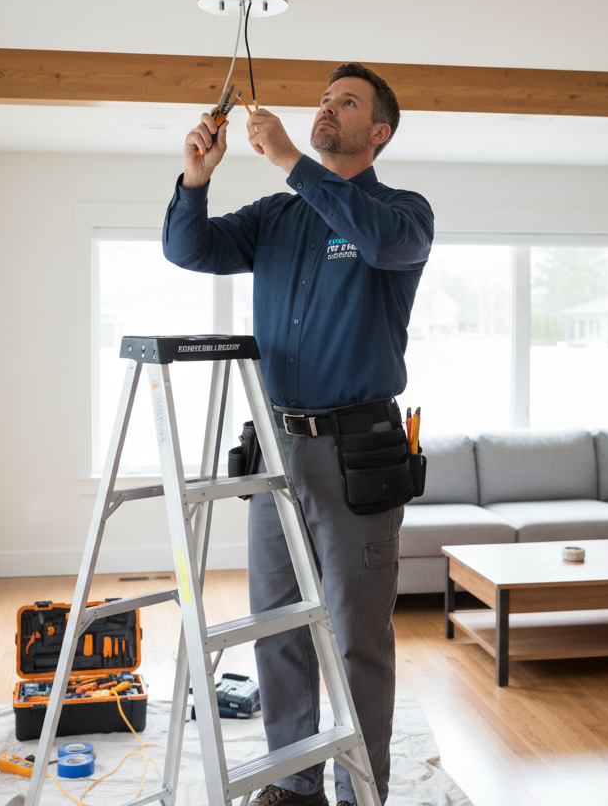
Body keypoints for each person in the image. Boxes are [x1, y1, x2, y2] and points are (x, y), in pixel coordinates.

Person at [162, 63, 433, 806]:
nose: (327, 108)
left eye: (346, 102)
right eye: (324, 98)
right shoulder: (275, 218)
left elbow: (376, 241)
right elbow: (191, 251)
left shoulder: (404, 214)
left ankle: (359, 793)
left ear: (377, 132)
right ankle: (294, 783)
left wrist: (289, 160)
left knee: (356, 638)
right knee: (277, 626)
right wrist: (194, 181)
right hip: (274, 448)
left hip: (357, 456)